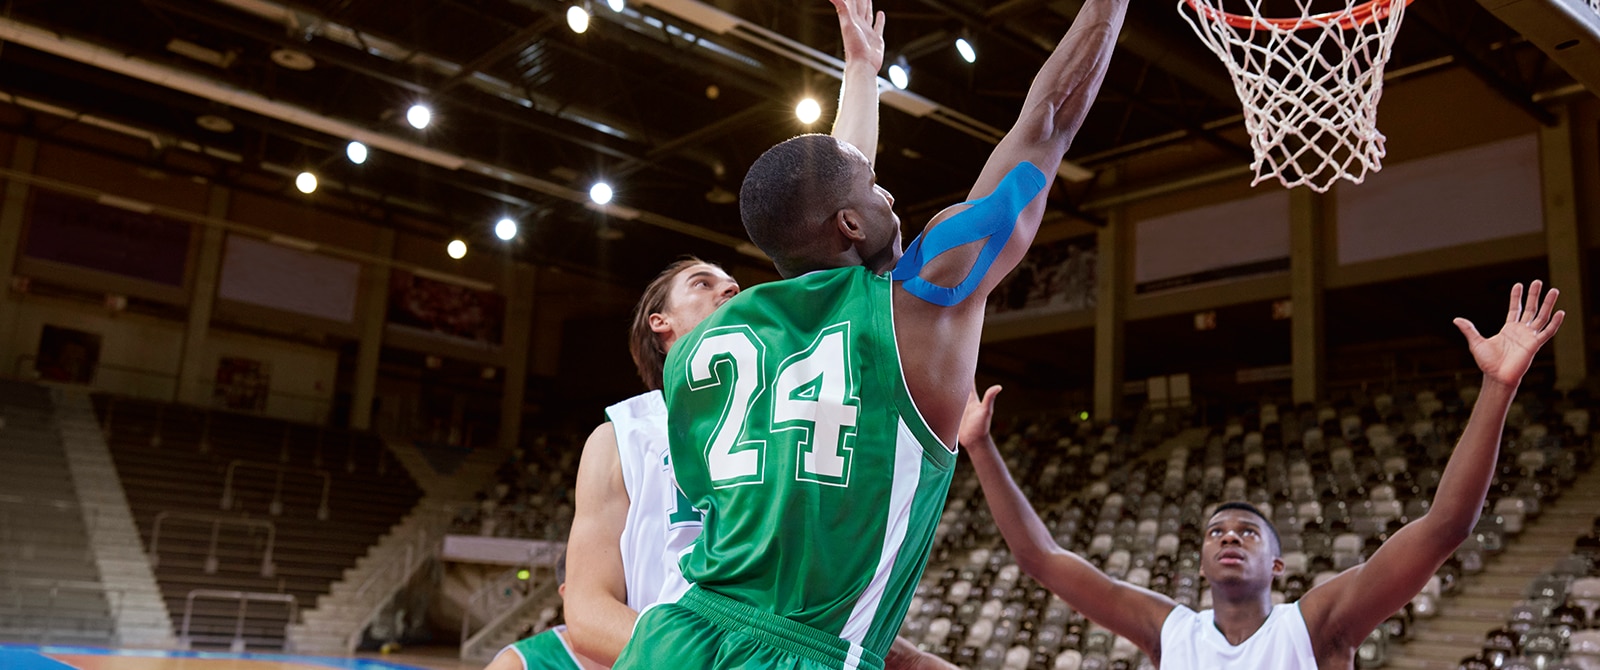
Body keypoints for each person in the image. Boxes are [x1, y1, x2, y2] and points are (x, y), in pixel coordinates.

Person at [612, 0, 1130, 666]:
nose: (888, 195)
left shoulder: (704, 343)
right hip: (798, 654)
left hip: (673, 638)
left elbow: (829, 193)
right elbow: (1048, 121)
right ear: (851, 225)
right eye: (876, 187)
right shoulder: (923, 303)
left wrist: (862, 71)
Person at [550, 2, 954, 667]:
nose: (730, 289)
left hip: (765, 643)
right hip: (684, 647)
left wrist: (860, 72)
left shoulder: (791, 368)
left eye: (731, 281)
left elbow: (834, 201)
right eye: (703, 284)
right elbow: (587, 610)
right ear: (663, 324)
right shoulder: (621, 435)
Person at [960, 282, 1564, 668]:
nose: (1228, 536)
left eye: (1248, 533)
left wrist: (1497, 387)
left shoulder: (1317, 625)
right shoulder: (1169, 630)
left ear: (1278, 565)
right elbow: (1041, 558)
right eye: (1217, 531)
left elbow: (1446, 527)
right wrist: (981, 445)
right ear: (1198, 563)